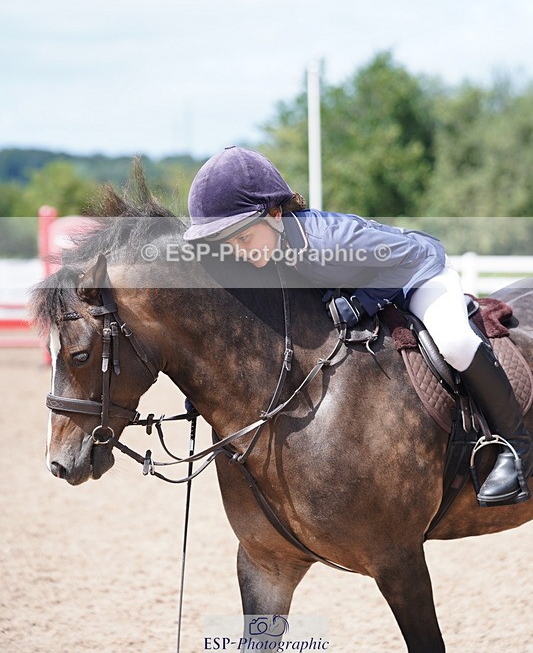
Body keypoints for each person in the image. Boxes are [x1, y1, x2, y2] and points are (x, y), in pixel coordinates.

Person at [184, 145, 533, 507]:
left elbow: (425, 252)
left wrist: (364, 301)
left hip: (419, 275)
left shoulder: (332, 242)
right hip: (379, 281)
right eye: (231, 243)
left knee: (456, 342)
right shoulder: (274, 247)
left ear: (274, 214)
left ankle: (518, 447)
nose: (241, 251)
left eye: (243, 238)